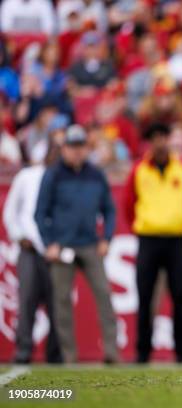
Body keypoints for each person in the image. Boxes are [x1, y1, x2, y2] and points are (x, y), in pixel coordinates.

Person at [34, 124, 117, 364]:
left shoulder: (95, 174)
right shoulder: (53, 174)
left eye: (81, 146)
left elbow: (109, 210)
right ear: (64, 149)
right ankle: (69, 357)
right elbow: (40, 213)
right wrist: (49, 242)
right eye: (72, 146)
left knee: (104, 296)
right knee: (61, 304)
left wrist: (107, 238)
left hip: (90, 243)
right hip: (62, 247)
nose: (77, 151)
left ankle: (111, 352)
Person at [124, 123, 182, 364]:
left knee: (179, 298)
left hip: (176, 240)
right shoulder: (139, 170)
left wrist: (174, 221)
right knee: (145, 298)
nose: (160, 143)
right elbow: (128, 205)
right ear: (150, 142)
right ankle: (142, 353)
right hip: (149, 240)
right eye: (155, 138)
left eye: (163, 137)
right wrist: (147, 223)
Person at [3, 143, 62, 364]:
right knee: (27, 300)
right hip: (29, 249)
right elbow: (11, 211)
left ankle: (55, 355)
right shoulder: (27, 176)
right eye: (53, 149)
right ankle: (23, 352)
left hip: (55, 250)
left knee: (58, 304)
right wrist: (19, 236)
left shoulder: (63, 179)